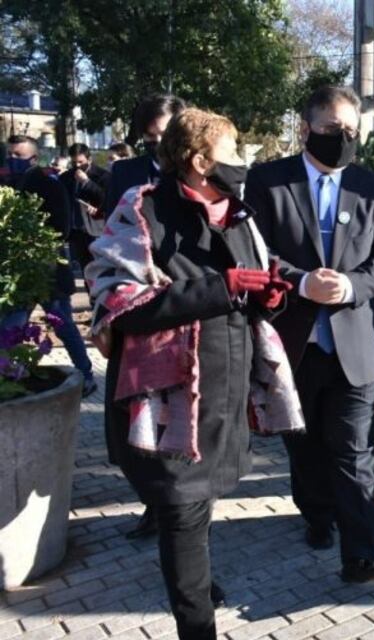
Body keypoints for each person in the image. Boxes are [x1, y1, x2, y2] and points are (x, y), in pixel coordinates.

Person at [86, 108, 302, 639]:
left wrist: (268, 299)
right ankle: (196, 624)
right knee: (182, 511)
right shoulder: (144, 210)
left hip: (225, 396)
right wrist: (221, 286)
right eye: (233, 153)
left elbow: (250, 292)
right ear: (200, 160)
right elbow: (118, 302)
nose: (242, 162)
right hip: (170, 400)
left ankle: (198, 585)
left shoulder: (239, 212)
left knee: (198, 508)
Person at [246, 85, 374, 584]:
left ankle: (362, 555)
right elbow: (253, 253)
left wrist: (352, 285)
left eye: (352, 130)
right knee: (304, 445)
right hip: (292, 342)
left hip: (355, 343)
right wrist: (301, 281)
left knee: (353, 449)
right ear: (306, 128)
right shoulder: (268, 183)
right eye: (334, 129)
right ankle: (315, 514)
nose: (345, 138)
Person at [104, 94, 186, 541]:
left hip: (186, 306)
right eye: (150, 138)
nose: (159, 146)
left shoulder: (200, 169)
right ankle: (153, 502)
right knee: (135, 417)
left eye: (166, 136)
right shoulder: (124, 173)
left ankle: (181, 504)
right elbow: (113, 239)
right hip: (138, 308)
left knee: (178, 414)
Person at [2, 135, 97, 397]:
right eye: (10, 154)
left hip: (48, 273)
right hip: (20, 272)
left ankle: (86, 375)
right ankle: (10, 376)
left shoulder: (48, 185)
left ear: (33, 158)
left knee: (61, 323)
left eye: (18, 155)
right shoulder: (8, 183)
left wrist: (32, 240)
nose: (12, 160)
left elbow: (62, 227)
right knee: (10, 327)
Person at [106, 94, 187, 214]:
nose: (159, 141)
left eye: (165, 134)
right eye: (150, 135)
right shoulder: (122, 172)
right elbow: (114, 225)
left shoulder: (197, 172)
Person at [59, 143, 111, 270]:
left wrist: (86, 183)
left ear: (89, 159)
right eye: (74, 162)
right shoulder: (66, 177)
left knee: (101, 268)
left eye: (80, 162)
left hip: (97, 229)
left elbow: (106, 199)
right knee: (85, 268)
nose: (77, 165)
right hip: (76, 231)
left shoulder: (103, 176)